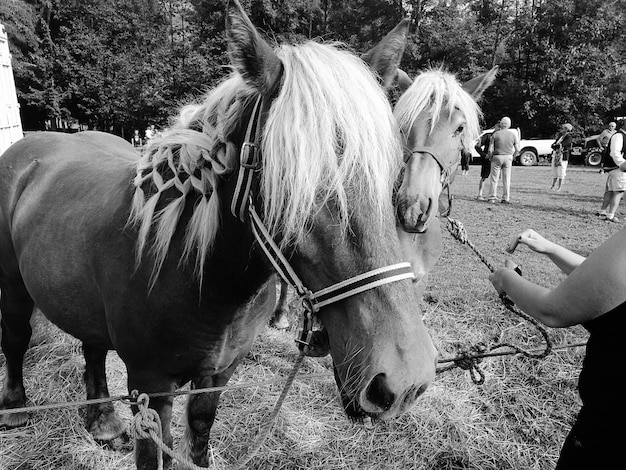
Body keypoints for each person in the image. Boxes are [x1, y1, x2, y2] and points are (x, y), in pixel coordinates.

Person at [489, 228, 626, 469]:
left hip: (610, 429)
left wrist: (505, 278)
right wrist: (551, 248)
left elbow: (552, 310)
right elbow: (606, 281)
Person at [596, 121, 626, 222]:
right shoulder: (619, 136)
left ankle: (602, 211)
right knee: (618, 192)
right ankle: (610, 215)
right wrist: (622, 164)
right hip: (618, 168)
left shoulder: (620, 135)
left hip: (615, 168)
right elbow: (615, 152)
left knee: (611, 191)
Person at [487, 117, 519, 203]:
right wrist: (513, 156)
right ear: (509, 125)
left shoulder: (495, 134)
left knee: (494, 178)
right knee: (506, 179)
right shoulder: (513, 135)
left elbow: (490, 149)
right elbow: (517, 149)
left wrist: (490, 157)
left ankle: (492, 197)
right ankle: (505, 198)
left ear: (501, 124)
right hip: (508, 157)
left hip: (497, 156)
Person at [474, 122, 500, 200]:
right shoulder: (488, 136)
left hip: (497, 159)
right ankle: (480, 194)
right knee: (484, 177)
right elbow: (477, 146)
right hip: (487, 160)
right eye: (498, 126)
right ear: (495, 126)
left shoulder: (501, 137)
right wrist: (483, 155)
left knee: (496, 178)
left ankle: (493, 194)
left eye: (501, 127)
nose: (499, 128)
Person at [550, 123, 573, 191]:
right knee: (555, 170)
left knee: (561, 171)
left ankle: (559, 187)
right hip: (556, 155)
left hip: (563, 156)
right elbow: (553, 145)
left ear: (566, 129)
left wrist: (557, 146)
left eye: (562, 128)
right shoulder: (560, 136)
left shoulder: (568, 137)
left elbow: (562, 145)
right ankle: (553, 185)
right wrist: (556, 146)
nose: (561, 129)